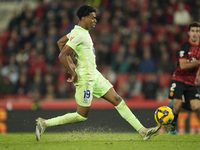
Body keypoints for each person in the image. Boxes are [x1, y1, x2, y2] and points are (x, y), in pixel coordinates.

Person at [35, 4, 161, 141]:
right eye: (93, 18)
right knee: (81, 116)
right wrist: (73, 72)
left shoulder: (78, 32)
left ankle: (142, 131)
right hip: (85, 78)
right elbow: (62, 55)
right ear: (83, 18)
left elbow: (60, 42)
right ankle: (45, 123)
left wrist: (72, 63)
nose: (95, 21)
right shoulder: (78, 34)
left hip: (94, 74)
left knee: (118, 100)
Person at [167, 22, 200, 135]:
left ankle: (176, 103)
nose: (195, 33)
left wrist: (198, 75)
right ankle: (172, 130)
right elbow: (183, 65)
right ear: (189, 33)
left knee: (196, 107)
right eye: (193, 31)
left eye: (197, 31)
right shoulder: (185, 47)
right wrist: (198, 62)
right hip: (179, 79)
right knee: (178, 105)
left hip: (191, 81)